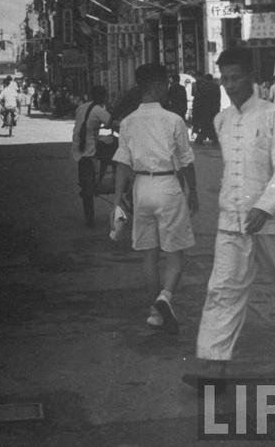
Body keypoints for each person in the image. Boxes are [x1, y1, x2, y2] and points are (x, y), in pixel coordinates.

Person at [184, 49, 275, 387]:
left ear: (250, 75)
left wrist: (265, 206)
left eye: (236, 77)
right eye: (225, 79)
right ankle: (214, 367)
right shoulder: (222, 120)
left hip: (271, 219)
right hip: (231, 221)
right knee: (223, 289)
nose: (230, 85)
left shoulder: (274, 115)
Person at [112, 64, 198, 333]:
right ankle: (165, 297)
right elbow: (186, 161)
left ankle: (155, 312)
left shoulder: (127, 122)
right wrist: (193, 192)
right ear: (160, 86)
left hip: (141, 188)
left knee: (149, 255)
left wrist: (117, 201)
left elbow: (122, 165)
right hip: (167, 185)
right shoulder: (173, 120)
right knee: (175, 254)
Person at [72, 86, 111, 227]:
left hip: (78, 149)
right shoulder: (99, 110)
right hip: (89, 148)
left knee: (85, 182)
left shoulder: (81, 108)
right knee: (112, 148)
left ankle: (89, 216)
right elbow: (111, 123)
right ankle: (102, 178)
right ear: (103, 97)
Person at [193, 73, 221, 145]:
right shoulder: (216, 87)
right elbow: (218, 99)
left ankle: (200, 139)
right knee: (211, 126)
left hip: (205, 110)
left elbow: (200, 99)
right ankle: (214, 140)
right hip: (214, 110)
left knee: (206, 126)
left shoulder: (203, 87)